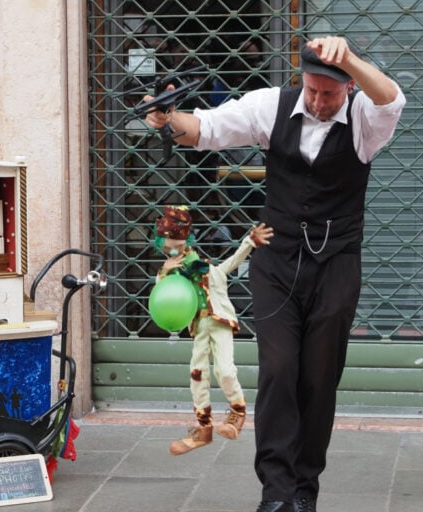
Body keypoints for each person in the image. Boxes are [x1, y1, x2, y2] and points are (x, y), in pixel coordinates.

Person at [144, 36, 405, 512]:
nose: (318, 102)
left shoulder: (366, 119)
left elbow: (392, 98)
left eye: (329, 94)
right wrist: (167, 119)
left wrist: (348, 59)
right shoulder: (273, 106)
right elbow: (203, 129)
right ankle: (276, 492)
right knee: (280, 370)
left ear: (348, 88)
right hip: (276, 260)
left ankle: (306, 490)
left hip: (337, 263)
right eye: (311, 91)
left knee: (319, 377)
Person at [154, 205, 273, 456]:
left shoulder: (206, 269)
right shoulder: (172, 273)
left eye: (173, 243)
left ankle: (237, 413)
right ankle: (203, 427)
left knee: (225, 370)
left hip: (219, 323)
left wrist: (249, 242)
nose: (170, 249)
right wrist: (165, 270)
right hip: (198, 325)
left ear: (185, 241)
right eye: (166, 245)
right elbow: (161, 294)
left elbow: (230, 264)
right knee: (197, 374)